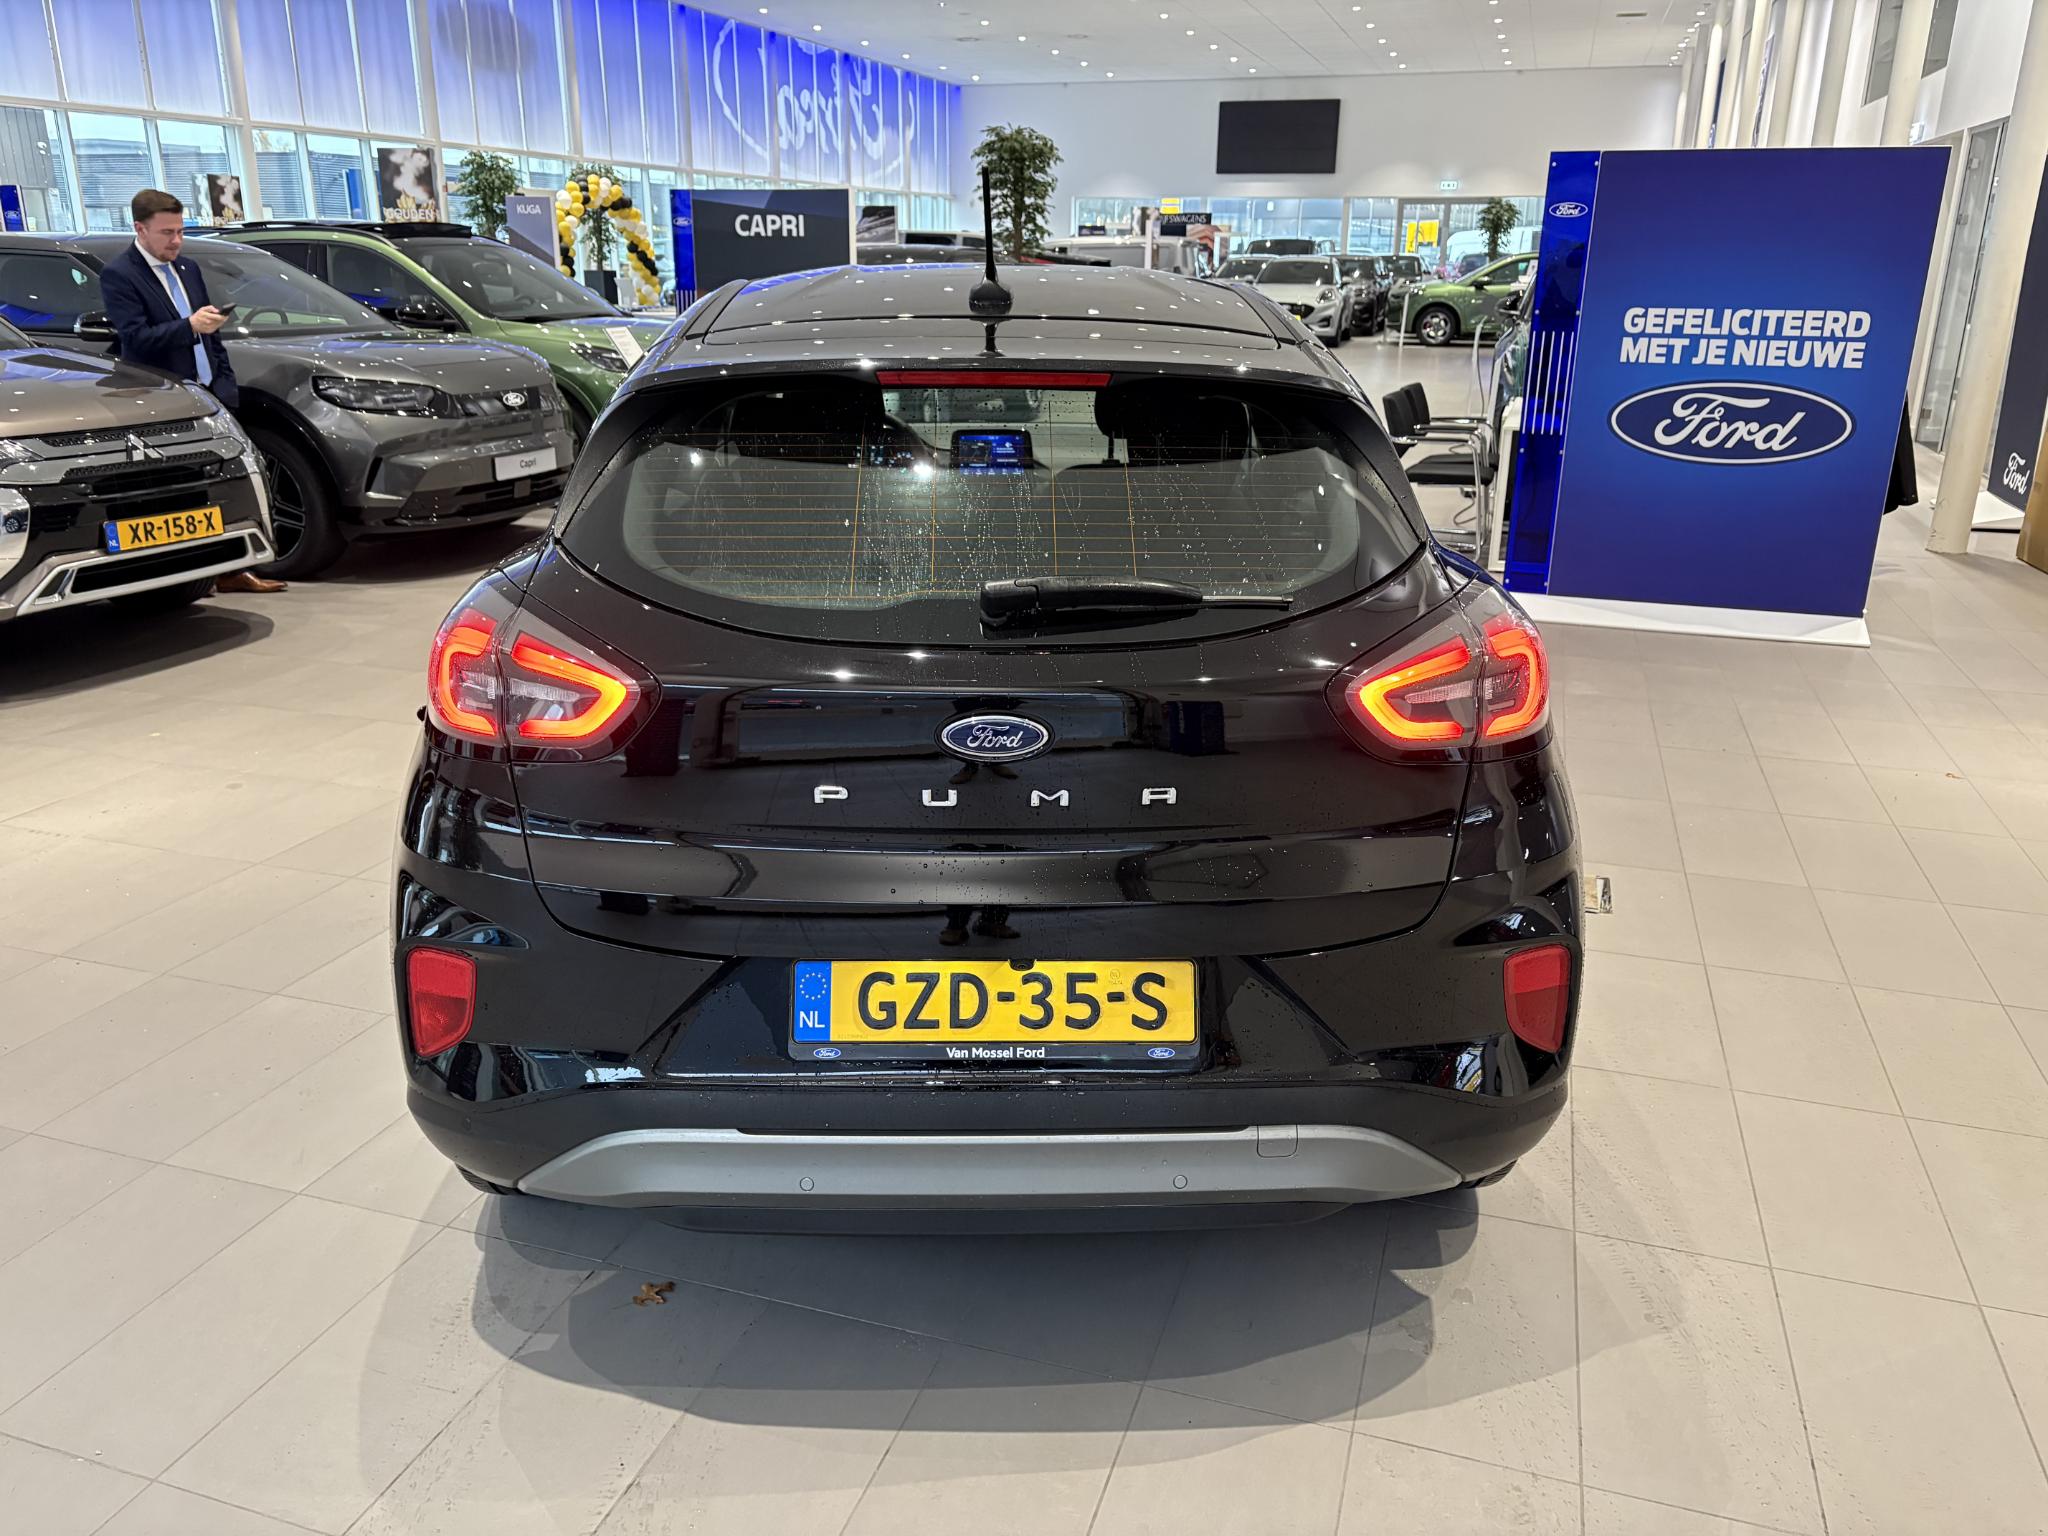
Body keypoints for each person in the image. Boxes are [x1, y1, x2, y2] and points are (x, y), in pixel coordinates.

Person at [100, 188, 285, 594]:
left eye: (180, 231)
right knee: (179, 492)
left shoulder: (188, 269)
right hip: (163, 399)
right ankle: (188, 574)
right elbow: (135, 339)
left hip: (209, 393)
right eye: (167, 233)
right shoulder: (121, 275)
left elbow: (210, 334)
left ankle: (232, 567)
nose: (176, 241)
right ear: (140, 229)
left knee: (222, 483)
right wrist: (188, 327)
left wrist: (224, 382)